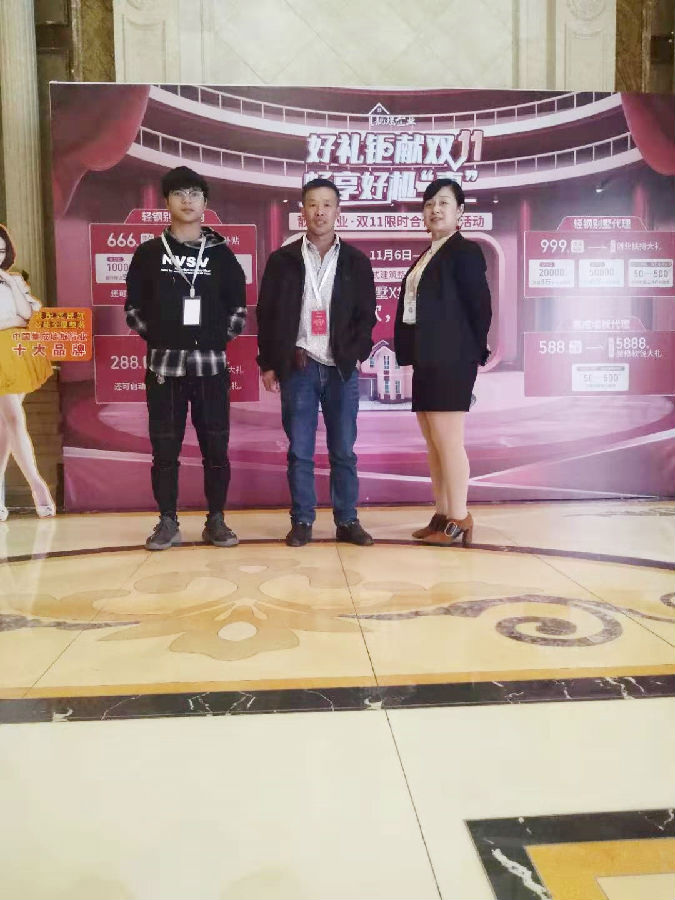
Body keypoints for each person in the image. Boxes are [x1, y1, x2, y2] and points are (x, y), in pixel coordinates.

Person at [125, 166, 246, 550]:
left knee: (216, 449)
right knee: (165, 450)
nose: (187, 200)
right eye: (179, 193)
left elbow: (238, 309)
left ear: (205, 202)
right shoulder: (149, 253)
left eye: (195, 193)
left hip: (211, 367)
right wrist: (165, 338)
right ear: (167, 201)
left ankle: (216, 520)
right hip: (164, 367)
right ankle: (167, 521)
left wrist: (212, 341)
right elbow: (133, 309)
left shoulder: (222, 255)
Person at [257, 178, 377, 547]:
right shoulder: (282, 260)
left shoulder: (356, 261)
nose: (320, 211)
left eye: (327, 204)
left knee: (343, 450)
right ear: (302, 211)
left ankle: (347, 520)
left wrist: (355, 353)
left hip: (341, 369)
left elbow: (366, 315)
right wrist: (268, 363)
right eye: (312, 204)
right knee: (300, 451)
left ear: (338, 211)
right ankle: (302, 520)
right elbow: (267, 314)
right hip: (300, 365)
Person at [394, 179, 492, 546]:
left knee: (449, 441)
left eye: (444, 203)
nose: (435, 210)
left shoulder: (464, 251)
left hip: (452, 358)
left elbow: (480, 307)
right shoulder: (429, 253)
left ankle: (459, 517)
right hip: (427, 358)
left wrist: (471, 351)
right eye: (429, 204)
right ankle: (441, 513)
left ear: (460, 211)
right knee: (434, 442)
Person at [0, 224, 55, 520]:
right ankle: (37, 485)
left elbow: (27, 314)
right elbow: (17, 320)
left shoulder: (15, 280)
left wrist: (10, 284)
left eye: (1, 250)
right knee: (11, 417)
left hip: (17, 352)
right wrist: (12, 323)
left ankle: (2, 493)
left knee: (6, 422)